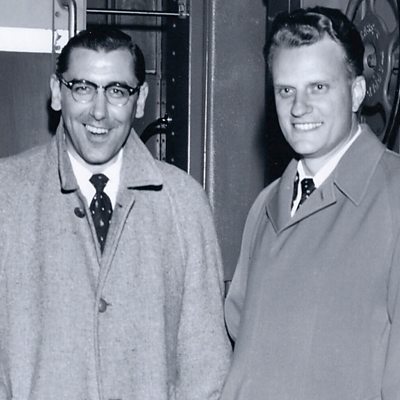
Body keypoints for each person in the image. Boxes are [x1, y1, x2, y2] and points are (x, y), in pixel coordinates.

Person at [0, 27, 231, 400]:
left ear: (140, 101)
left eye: (117, 91)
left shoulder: (184, 202)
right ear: (57, 93)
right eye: (82, 88)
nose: (99, 111)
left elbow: (206, 370)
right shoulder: (7, 195)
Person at [221, 6, 400, 400]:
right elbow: (239, 335)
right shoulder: (266, 205)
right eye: (286, 90)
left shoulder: (393, 197)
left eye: (318, 87)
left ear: (357, 93)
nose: (298, 108)